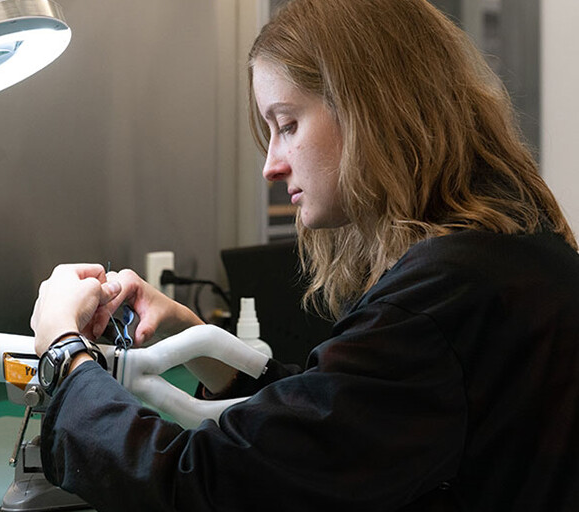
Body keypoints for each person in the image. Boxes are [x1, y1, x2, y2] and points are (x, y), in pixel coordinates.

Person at [30, 0, 579, 510]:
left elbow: (202, 487)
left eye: (287, 124)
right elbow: (341, 427)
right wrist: (197, 342)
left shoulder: (441, 302)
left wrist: (63, 352)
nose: (271, 165)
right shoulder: (507, 251)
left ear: (373, 108)